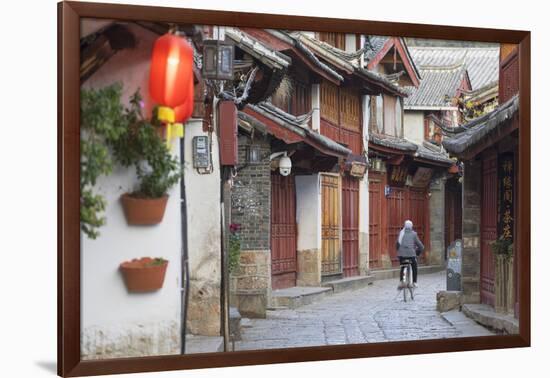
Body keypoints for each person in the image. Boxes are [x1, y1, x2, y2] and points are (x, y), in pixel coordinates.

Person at [395, 220, 424, 289]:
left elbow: (397, 244)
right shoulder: (414, 234)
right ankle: (414, 282)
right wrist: (418, 252)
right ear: (411, 226)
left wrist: (399, 252)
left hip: (401, 255)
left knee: (402, 266)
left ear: (404, 226)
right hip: (411, 255)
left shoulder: (401, 233)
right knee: (414, 267)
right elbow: (420, 246)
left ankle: (401, 281)